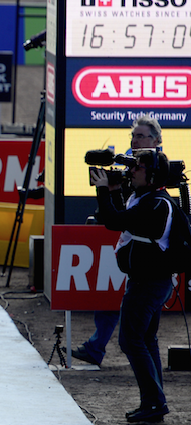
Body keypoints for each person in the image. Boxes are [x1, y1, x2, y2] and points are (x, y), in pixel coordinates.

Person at [72, 114, 163, 366]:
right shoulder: (129, 168)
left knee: (140, 336)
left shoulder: (160, 171)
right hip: (129, 247)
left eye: (141, 136)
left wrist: (108, 195)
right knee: (110, 298)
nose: (135, 140)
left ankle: (98, 347)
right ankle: (96, 346)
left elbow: (127, 216)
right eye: (133, 136)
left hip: (150, 258)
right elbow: (118, 215)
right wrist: (111, 193)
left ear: (156, 140)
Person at [91, 149, 174, 423]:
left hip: (148, 284)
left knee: (130, 340)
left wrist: (103, 189)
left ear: (151, 175)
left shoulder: (155, 204)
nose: (131, 171)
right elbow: (116, 218)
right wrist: (113, 190)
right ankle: (154, 401)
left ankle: (154, 402)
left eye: (137, 168)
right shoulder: (148, 198)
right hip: (150, 281)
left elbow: (113, 222)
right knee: (146, 339)